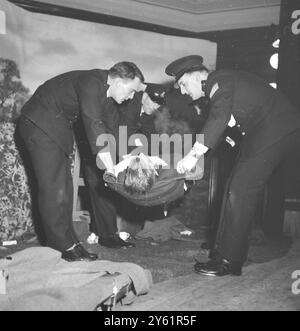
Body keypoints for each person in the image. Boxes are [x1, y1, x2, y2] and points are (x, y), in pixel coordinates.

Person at [165, 55, 300, 276]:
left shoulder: (219, 79)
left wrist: (192, 155)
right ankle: (222, 253)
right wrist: (196, 161)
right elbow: (221, 131)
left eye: (182, 83)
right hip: (265, 131)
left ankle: (230, 260)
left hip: (275, 128)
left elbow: (218, 120)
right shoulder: (221, 89)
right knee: (233, 187)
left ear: (198, 75)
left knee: (241, 188)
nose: (182, 91)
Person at [18, 61, 144, 261]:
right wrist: (110, 166)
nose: (131, 97)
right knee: (54, 188)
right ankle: (61, 247)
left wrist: (128, 157)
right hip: (39, 125)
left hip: (54, 129)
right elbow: (93, 123)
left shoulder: (107, 97)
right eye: (131, 91)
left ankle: (70, 243)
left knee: (64, 189)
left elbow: (112, 132)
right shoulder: (92, 81)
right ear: (119, 82)